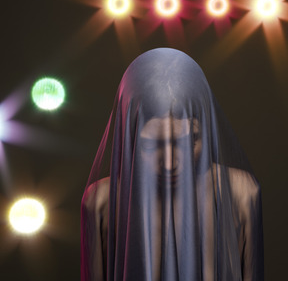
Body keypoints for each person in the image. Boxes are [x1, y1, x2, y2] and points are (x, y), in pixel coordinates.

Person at [81, 48, 264, 281]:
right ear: (129, 137)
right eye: (150, 145)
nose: (169, 163)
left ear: (206, 132)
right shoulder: (100, 202)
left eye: (188, 141)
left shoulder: (240, 192)